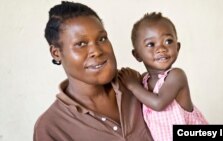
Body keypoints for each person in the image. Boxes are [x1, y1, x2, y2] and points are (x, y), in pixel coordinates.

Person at [33, 1, 153, 141]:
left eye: (102, 39)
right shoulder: (51, 127)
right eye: (81, 44)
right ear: (56, 53)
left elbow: (182, 125)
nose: (96, 51)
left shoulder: (136, 83)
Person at [118, 12, 208, 141]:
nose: (161, 48)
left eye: (168, 41)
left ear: (177, 47)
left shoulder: (176, 76)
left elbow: (158, 103)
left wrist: (132, 85)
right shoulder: (143, 81)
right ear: (137, 55)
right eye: (151, 44)